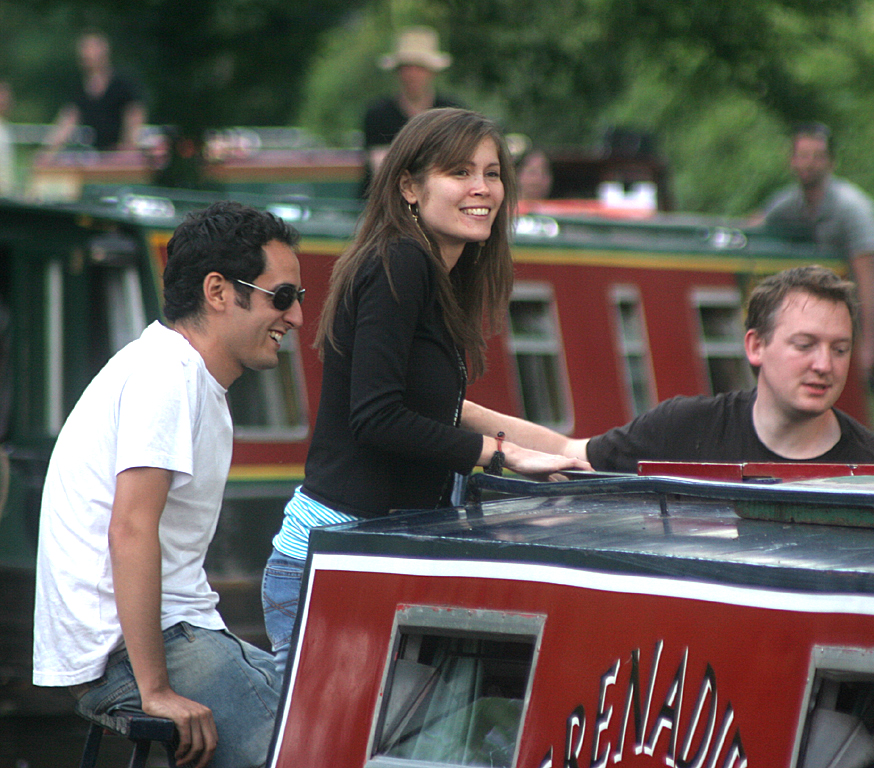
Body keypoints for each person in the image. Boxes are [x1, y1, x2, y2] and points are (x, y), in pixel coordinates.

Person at [262, 108, 589, 673]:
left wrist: (570, 450)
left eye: (492, 173)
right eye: (459, 172)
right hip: (335, 560)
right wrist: (502, 457)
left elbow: (442, 409)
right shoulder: (401, 261)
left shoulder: (431, 270)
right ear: (409, 187)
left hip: (370, 557)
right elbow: (378, 417)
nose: (482, 189)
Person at [34, 202, 302, 768]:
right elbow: (130, 528)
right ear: (218, 291)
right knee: (309, 749)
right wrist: (155, 691)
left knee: (319, 720)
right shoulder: (166, 376)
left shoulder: (184, 376)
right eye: (283, 296)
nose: (297, 316)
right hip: (132, 649)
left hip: (164, 632)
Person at [463, 265, 874, 469]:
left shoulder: (872, 467)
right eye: (805, 345)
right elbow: (566, 452)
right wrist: (460, 412)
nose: (825, 365)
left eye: (840, 349)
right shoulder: (685, 427)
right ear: (755, 346)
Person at [755, 123, 874, 460]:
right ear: (791, 160)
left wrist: (868, 345)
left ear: (830, 163)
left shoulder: (851, 208)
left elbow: (867, 277)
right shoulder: (791, 204)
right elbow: (758, 223)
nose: (808, 163)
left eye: (817, 157)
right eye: (802, 156)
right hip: (845, 309)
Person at [362, 27, 462, 187]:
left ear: (432, 71)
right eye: (407, 67)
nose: (413, 74)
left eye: (420, 67)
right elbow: (382, 170)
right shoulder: (378, 114)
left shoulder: (452, 113)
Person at [45, 30, 146, 152]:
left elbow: (135, 115)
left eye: (89, 48)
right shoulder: (80, 87)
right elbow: (68, 120)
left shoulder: (123, 82)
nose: (85, 54)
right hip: (97, 154)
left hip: (122, 154)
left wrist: (128, 149)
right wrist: (48, 152)